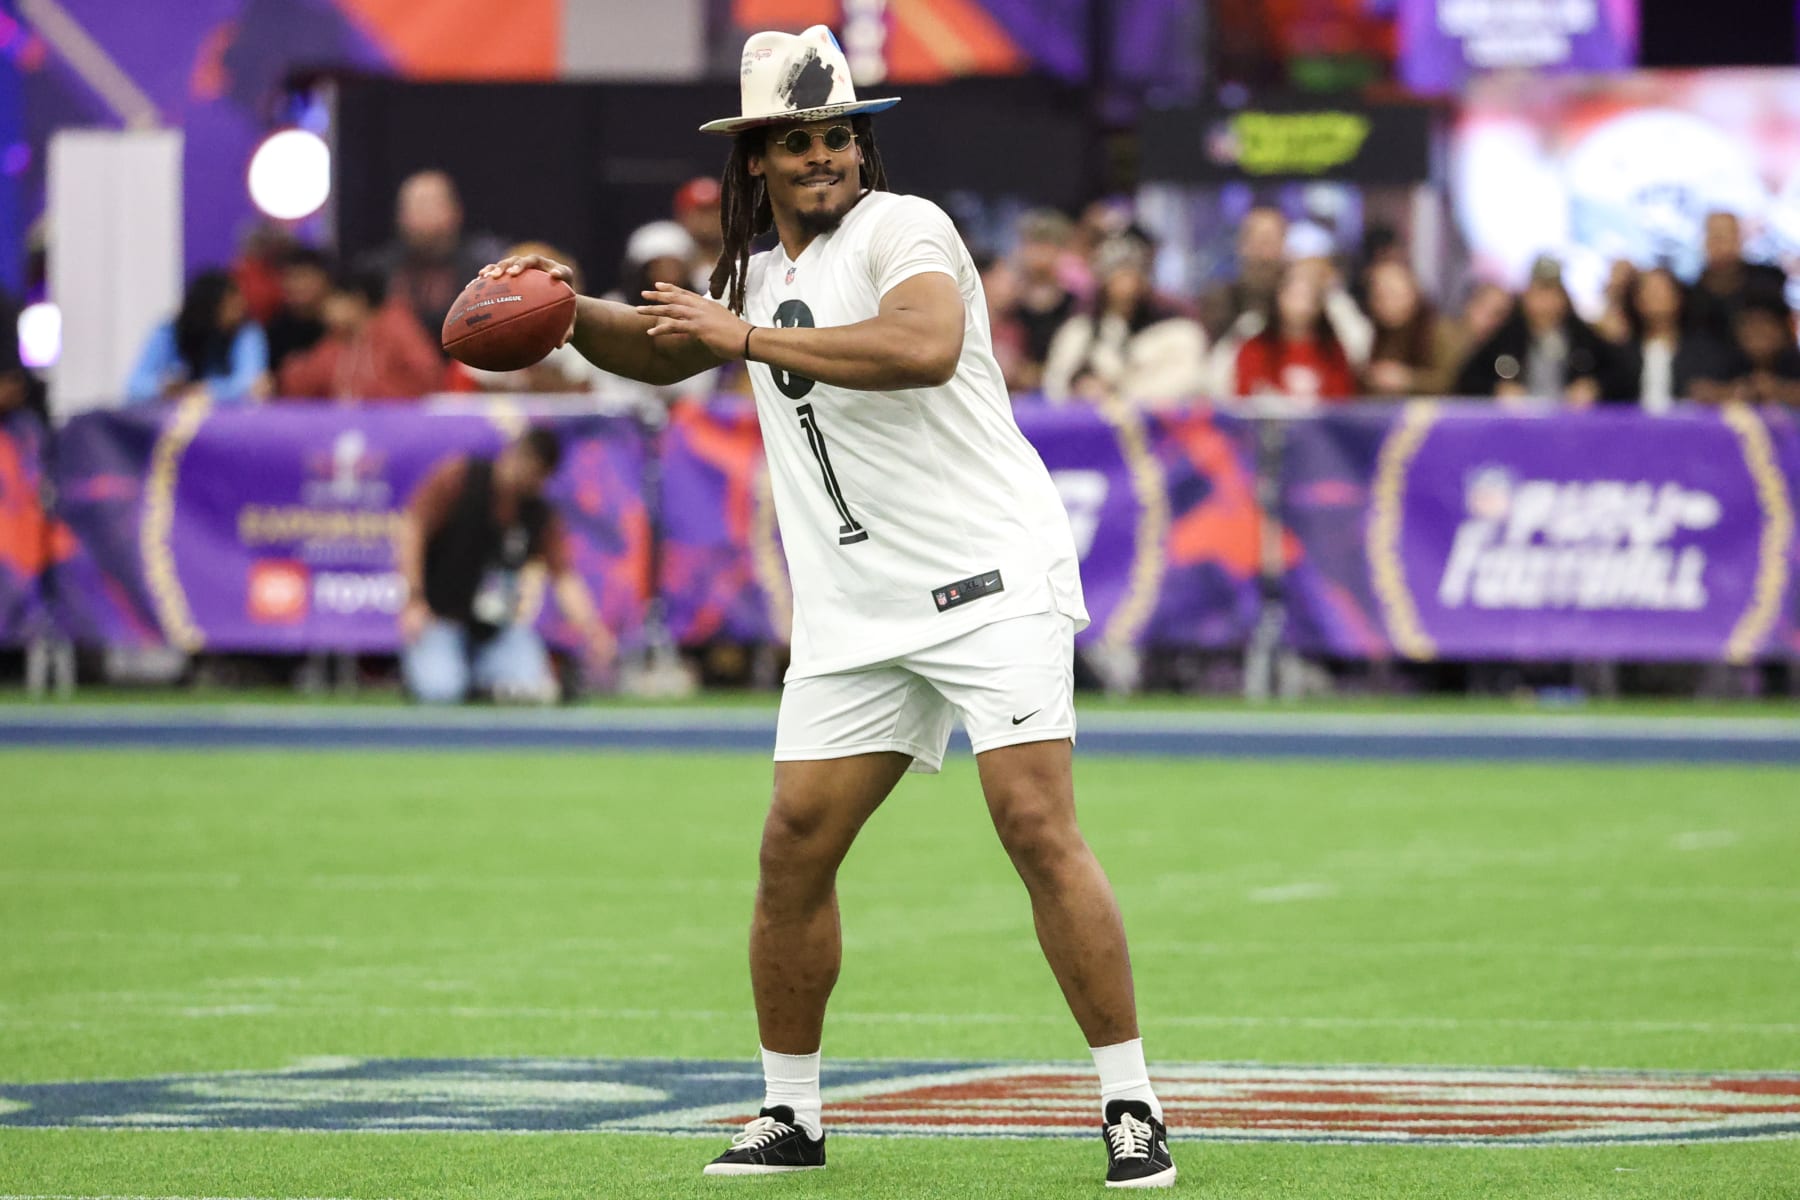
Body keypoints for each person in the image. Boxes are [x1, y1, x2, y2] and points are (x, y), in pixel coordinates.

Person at [478, 24, 1174, 1187]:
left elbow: (926, 344)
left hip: (988, 576)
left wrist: (735, 334)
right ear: (756, 158)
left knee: (1033, 823)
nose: (824, 155)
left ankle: (1131, 1103)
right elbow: (666, 350)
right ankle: (791, 1112)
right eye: (797, 139)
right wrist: (562, 310)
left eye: (839, 133)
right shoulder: (756, 270)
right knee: (793, 849)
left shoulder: (907, 228)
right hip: (859, 610)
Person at [393, 428, 615, 704]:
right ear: (517, 456)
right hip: (441, 619)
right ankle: (441, 674)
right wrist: (413, 600)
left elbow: (564, 578)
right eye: (534, 473)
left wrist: (591, 628)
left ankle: (480, 680)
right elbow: (413, 527)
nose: (536, 483)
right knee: (440, 692)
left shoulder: (538, 512)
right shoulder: (461, 478)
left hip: (497, 629)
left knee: (531, 688)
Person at [1042, 233, 1208, 408]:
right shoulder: (1081, 331)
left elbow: (1187, 380)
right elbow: (1056, 381)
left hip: (1153, 421)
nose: (1125, 285)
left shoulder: (1177, 330)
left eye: (1131, 275)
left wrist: (1121, 390)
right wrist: (1079, 386)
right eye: (1118, 275)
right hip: (1091, 423)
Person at [356, 169, 506, 348]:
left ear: (456, 210)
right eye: (412, 206)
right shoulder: (375, 270)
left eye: (430, 205)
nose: (421, 215)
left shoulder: (485, 266)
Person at [1453, 257, 1619, 407]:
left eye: (1553, 293)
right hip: (1519, 427)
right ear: (1526, 296)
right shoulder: (1508, 335)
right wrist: (1497, 389)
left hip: (1572, 426)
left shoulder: (1582, 336)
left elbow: (1621, 375)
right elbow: (1469, 377)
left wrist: (1594, 387)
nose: (1546, 304)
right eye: (1540, 293)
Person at [276, 269, 444, 402]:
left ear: (357, 300)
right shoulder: (338, 338)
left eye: (333, 300)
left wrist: (372, 393)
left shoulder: (397, 326)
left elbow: (427, 376)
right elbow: (305, 384)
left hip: (398, 424)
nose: (325, 310)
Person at [124, 270, 269, 405]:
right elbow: (134, 385)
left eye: (239, 306)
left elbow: (250, 382)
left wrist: (205, 390)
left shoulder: (247, 332)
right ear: (207, 309)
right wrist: (163, 387)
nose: (238, 313)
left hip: (227, 421)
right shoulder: (169, 332)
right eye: (230, 307)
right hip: (172, 419)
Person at [1233, 263, 1357, 405]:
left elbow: (1342, 404)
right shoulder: (1255, 349)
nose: (1300, 305)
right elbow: (1243, 402)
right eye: (1294, 295)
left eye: (1307, 296)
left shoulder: (1332, 352)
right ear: (1278, 297)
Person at [1614, 266, 1731, 413]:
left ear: (1678, 296)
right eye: (1648, 291)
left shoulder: (1704, 351)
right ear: (1636, 300)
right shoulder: (1620, 354)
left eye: (1662, 289)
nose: (1655, 296)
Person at [1686, 211, 1789, 347]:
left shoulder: (1769, 284)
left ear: (1740, 238)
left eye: (1725, 235)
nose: (1719, 242)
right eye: (1714, 235)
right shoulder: (1690, 295)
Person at [1005, 208, 1081, 392]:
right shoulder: (1008, 302)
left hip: (1060, 387)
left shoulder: (1074, 302)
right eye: (1033, 245)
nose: (1040, 254)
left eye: (1048, 246)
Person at [1362, 259, 1460, 398]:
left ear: (1412, 292)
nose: (1385, 302)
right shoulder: (1375, 334)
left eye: (1392, 294)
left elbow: (1453, 379)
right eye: (1379, 295)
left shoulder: (1437, 331)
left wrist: (1407, 380)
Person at [1690, 289, 1800, 408]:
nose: (1757, 333)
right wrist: (1735, 391)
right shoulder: (1726, 360)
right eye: (1750, 324)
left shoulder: (1794, 360)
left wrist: (1778, 390)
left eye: (1764, 324)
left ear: (1783, 329)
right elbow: (1698, 390)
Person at [264, 246, 333, 376]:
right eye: (290, 277)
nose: (297, 285)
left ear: (326, 280)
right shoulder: (275, 331)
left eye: (304, 276)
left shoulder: (339, 328)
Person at [674, 176, 725, 292]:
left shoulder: (753, 259)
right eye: (700, 211)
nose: (707, 220)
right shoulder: (668, 262)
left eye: (714, 210)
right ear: (682, 216)